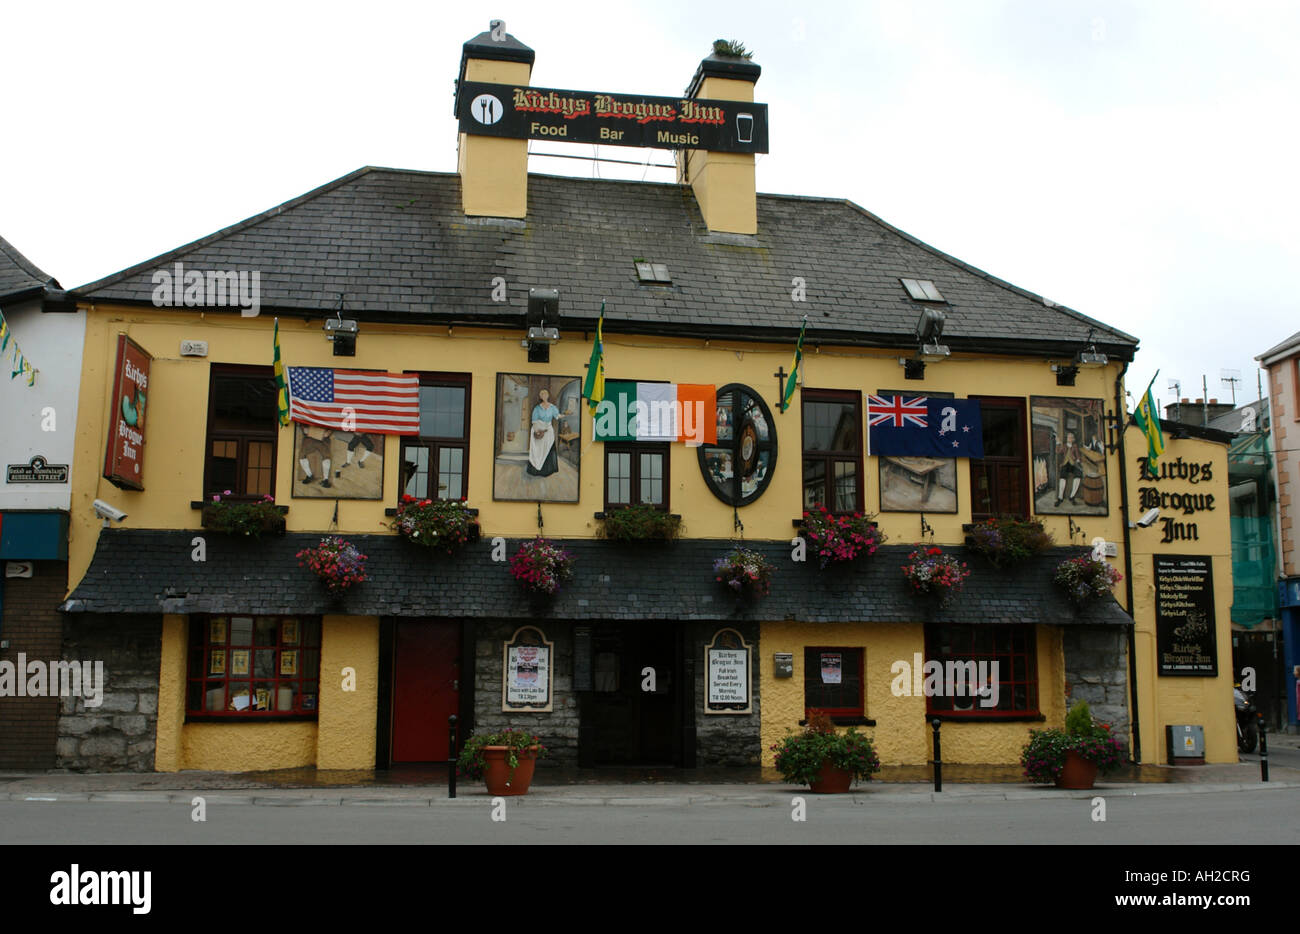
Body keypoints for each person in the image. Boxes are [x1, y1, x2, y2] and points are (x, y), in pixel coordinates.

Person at [526, 388, 562, 477]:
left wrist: (565, 414)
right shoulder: (537, 408)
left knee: (549, 447)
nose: (544, 396)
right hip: (539, 429)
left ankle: (548, 469)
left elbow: (557, 416)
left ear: (548, 395)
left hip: (548, 430)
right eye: (542, 395)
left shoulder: (552, 407)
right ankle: (536, 470)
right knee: (538, 449)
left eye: (545, 394)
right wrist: (537, 431)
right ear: (540, 397)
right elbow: (534, 421)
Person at [1055, 429, 1083, 506]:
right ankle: (1060, 498)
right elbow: (1057, 451)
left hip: (1073, 464)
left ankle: (1072, 496)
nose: (1070, 438)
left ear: (1073, 439)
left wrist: (1078, 459)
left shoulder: (1075, 446)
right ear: (1067, 438)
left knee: (1078, 475)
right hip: (1065, 464)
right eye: (1068, 437)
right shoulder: (1063, 445)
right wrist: (1057, 442)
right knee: (1062, 477)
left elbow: (1078, 455)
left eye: (1071, 437)